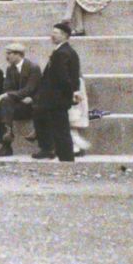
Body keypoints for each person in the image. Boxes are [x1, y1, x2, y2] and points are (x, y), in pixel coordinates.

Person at [32, 22, 84, 162]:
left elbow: (63, 78)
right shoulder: (67, 51)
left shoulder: (61, 53)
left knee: (61, 130)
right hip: (58, 98)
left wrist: (69, 93)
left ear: (65, 35)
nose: (52, 35)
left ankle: (66, 159)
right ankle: (63, 156)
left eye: (56, 33)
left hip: (57, 98)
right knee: (59, 128)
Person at [0, 42, 42, 157]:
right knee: (5, 104)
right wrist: (11, 95)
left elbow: (30, 89)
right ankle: (7, 135)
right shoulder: (10, 69)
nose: (7, 57)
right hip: (19, 103)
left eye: (9, 54)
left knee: (6, 103)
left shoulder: (33, 67)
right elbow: (7, 88)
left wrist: (10, 95)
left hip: (33, 103)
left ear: (18, 54)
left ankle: (7, 138)